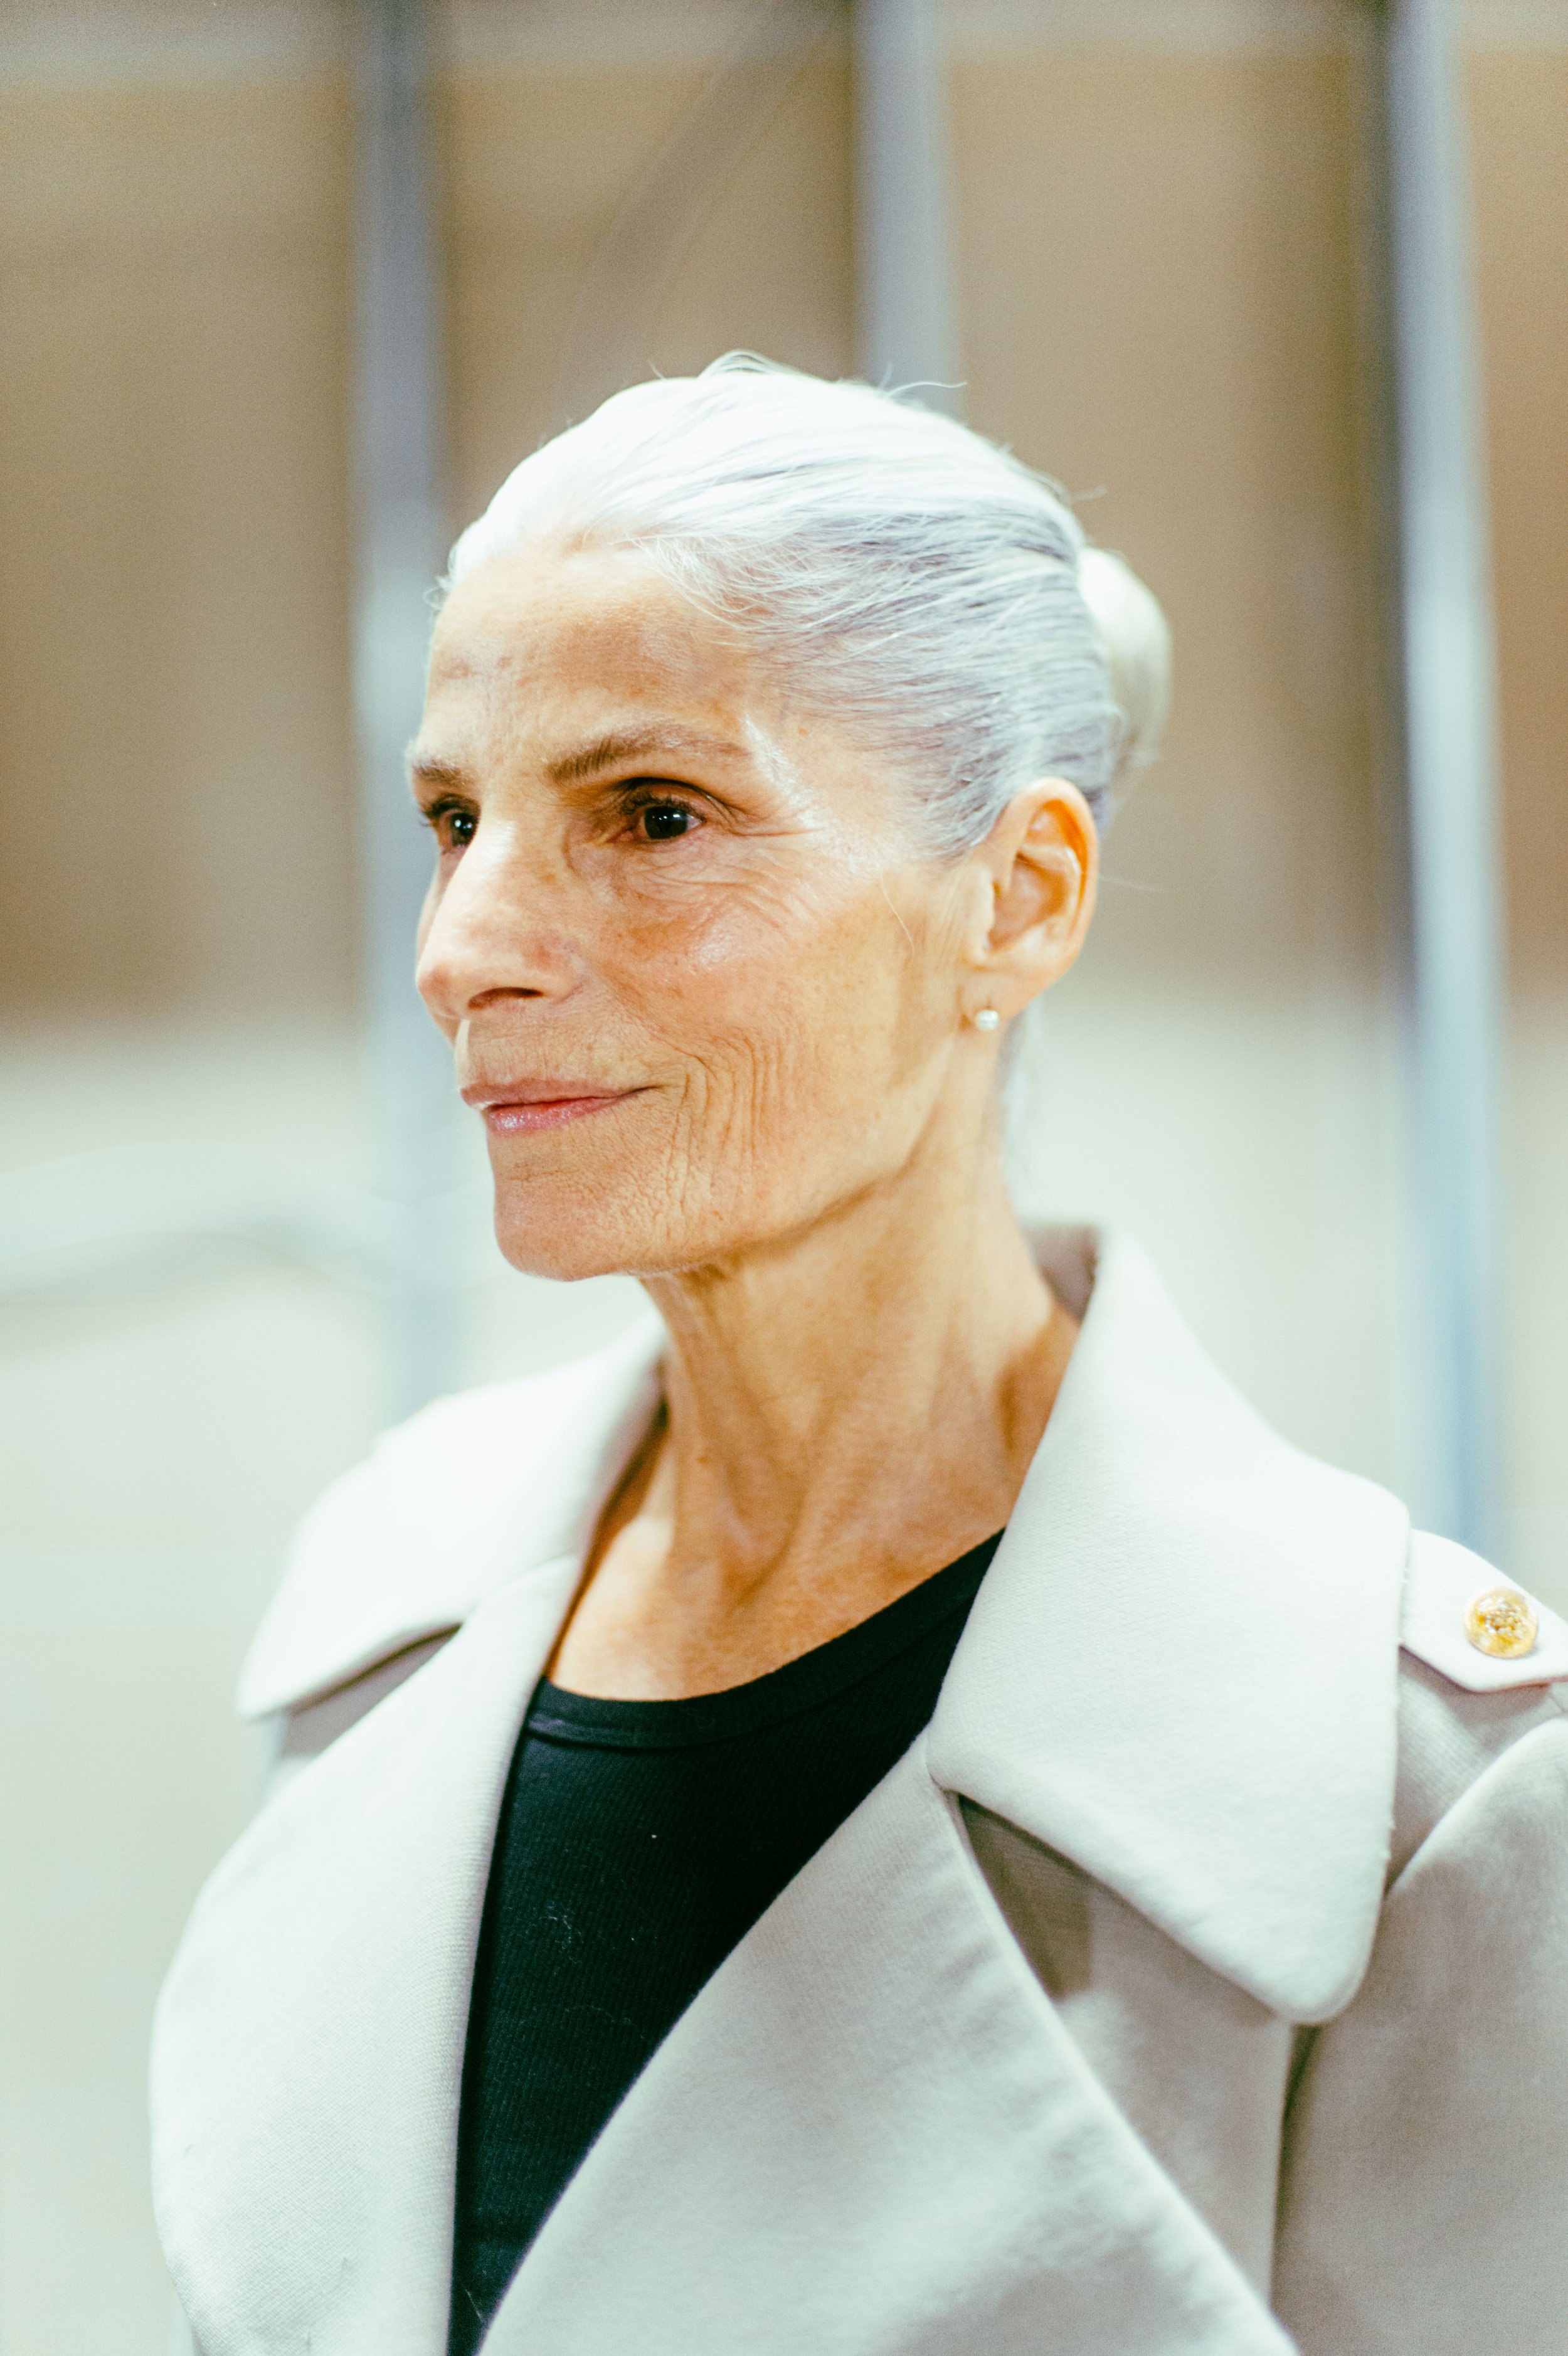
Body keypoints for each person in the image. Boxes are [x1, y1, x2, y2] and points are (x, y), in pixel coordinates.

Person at [152, 358, 1568, 2356]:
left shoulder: (1423, 1793)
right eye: (456, 816)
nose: (462, 945)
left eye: (650, 814)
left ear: (1015, 899)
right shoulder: (388, 1611)